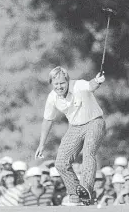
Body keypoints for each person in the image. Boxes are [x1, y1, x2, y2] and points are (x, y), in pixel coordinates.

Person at [35, 66, 106, 205]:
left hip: (94, 122)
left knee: (88, 152)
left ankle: (86, 189)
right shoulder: (52, 98)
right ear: (52, 84)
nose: (59, 87)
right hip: (75, 127)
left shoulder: (78, 85)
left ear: (68, 81)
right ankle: (75, 195)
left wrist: (98, 80)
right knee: (61, 162)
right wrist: (41, 144)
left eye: (62, 83)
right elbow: (48, 120)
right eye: (56, 84)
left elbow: (91, 86)